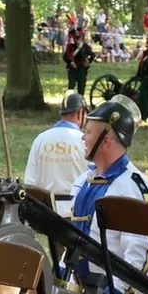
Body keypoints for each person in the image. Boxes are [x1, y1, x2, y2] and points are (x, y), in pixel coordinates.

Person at [66, 95, 148, 294]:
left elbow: (138, 257)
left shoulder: (134, 189)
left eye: (88, 132)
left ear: (106, 140)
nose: (83, 137)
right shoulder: (84, 180)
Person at [24, 90, 88, 218]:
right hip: (78, 211)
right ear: (81, 112)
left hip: (47, 212)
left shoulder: (41, 139)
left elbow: (30, 181)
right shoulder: (85, 141)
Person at [63, 28, 94, 96]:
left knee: (81, 85)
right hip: (72, 69)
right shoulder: (70, 47)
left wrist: (88, 61)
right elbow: (65, 57)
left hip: (82, 68)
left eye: (78, 38)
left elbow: (92, 55)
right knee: (71, 86)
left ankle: (80, 100)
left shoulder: (85, 46)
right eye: (75, 38)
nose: (76, 40)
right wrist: (71, 63)